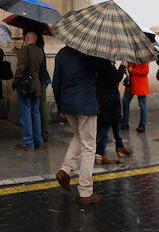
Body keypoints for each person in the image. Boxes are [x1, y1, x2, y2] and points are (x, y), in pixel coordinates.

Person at [52, 45, 100, 205]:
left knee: (80, 136)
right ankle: (86, 192)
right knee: (89, 146)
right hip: (85, 103)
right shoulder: (89, 52)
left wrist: (61, 106)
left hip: (68, 103)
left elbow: (56, 83)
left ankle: (65, 170)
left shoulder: (61, 53)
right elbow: (95, 78)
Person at [93, 58, 132, 164]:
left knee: (115, 123)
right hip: (107, 100)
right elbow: (116, 78)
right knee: (105, 127)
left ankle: (119, 146)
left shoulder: (104, 62)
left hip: (109, 99)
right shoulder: (104, 62)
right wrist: (123, 66)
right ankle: (100, 153)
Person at [12, 30, 45, 151]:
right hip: (36, 85)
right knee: (35, 113)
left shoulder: (24, 50)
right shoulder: (40, 51)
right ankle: (39, 142)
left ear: (27, 38)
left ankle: (28, 143)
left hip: (25, 86)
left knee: (25, 114)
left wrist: (15, 82)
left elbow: (20, 69)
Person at [121, 62, 149, 132]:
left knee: (142, 105)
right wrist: (126, 68)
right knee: (125, 101)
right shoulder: (130, 57)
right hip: (130, 84)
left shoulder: (143, 57)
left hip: (140, 84)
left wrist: (133, 71)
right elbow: (128, 69)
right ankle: (125, 123)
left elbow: (146, 71)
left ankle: (142, 125)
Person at [36, 33, 52, 146]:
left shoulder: (38, 49)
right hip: (43, 79)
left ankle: (44, 135)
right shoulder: (39, 48)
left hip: (40, 80)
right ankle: (43, 134)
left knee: (42, 106)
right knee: (41, 106)